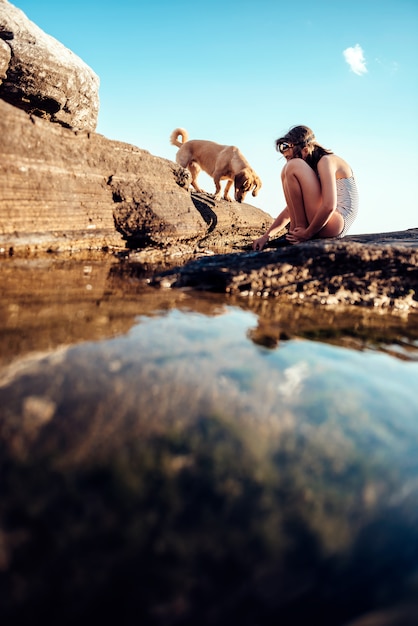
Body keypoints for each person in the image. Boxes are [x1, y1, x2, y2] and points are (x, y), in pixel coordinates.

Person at [252, 125, 359, 250]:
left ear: (305, 150)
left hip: (336, 222)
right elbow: (290, 209)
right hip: (325, 222)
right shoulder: (314, 167)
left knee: (293, 166)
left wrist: (307, 234)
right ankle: (295, 231)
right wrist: (266, 236)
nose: (288, 162)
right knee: (286, 171)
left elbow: (329, 206)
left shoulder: (326, 161)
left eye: (289, 157)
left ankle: (299, 229)